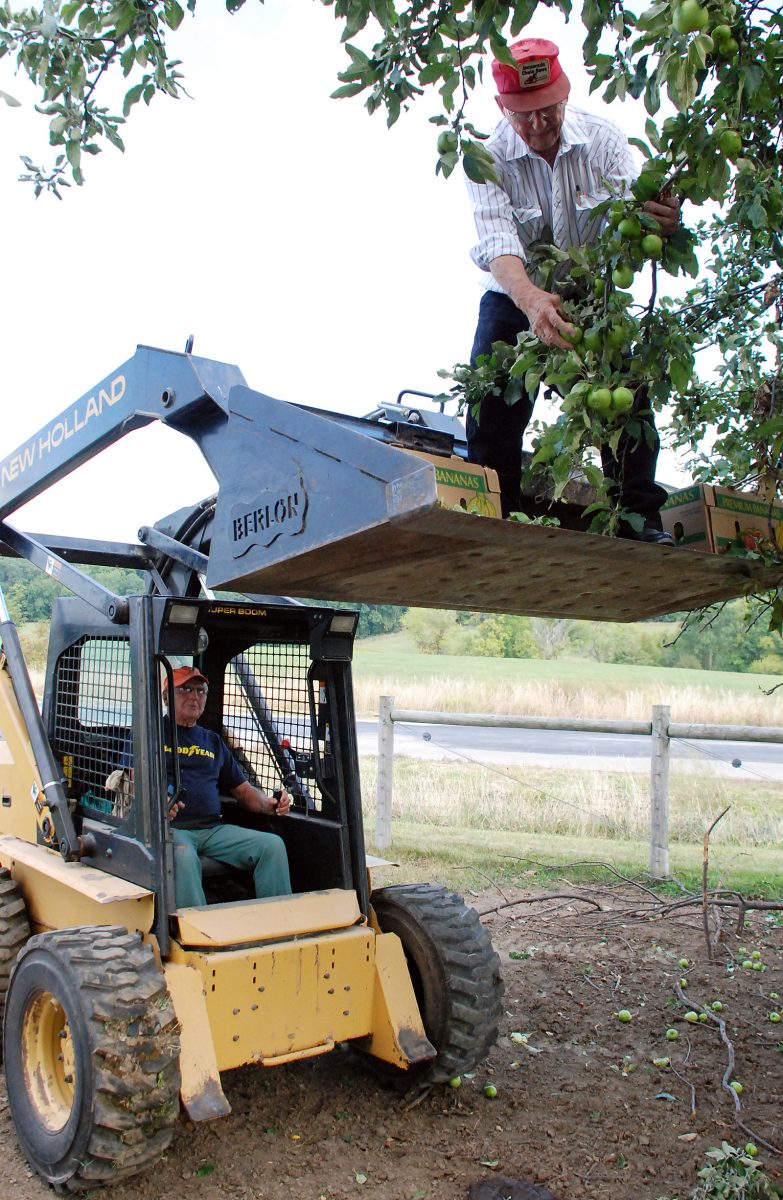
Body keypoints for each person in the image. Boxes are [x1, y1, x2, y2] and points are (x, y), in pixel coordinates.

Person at [465, 37, 681, 544]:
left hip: (588, 295)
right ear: (502, 108)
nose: (539, 125)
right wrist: (533, 300)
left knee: (628, 398)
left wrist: (664, 218)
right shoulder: (484, 159)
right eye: (524, 116)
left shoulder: (603, 141)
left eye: (547, 110)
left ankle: (639, 521)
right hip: (515, 293)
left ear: (564, 95)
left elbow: (640, 213)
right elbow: (498, 244)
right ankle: (496, 519)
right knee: (492, 395)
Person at [163, 665, 292, 908]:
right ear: (166, 696)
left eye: (200, 691)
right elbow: (134, 780)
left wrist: (267, 804)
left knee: (272, 846)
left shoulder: (212, 741)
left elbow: (242, 790)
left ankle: (278, 921)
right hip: (172, 828)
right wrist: (159, 803)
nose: (194, 696)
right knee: (182, 854)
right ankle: (197, 933)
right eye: (185, 689)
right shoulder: (152, 733)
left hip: (213, 829)